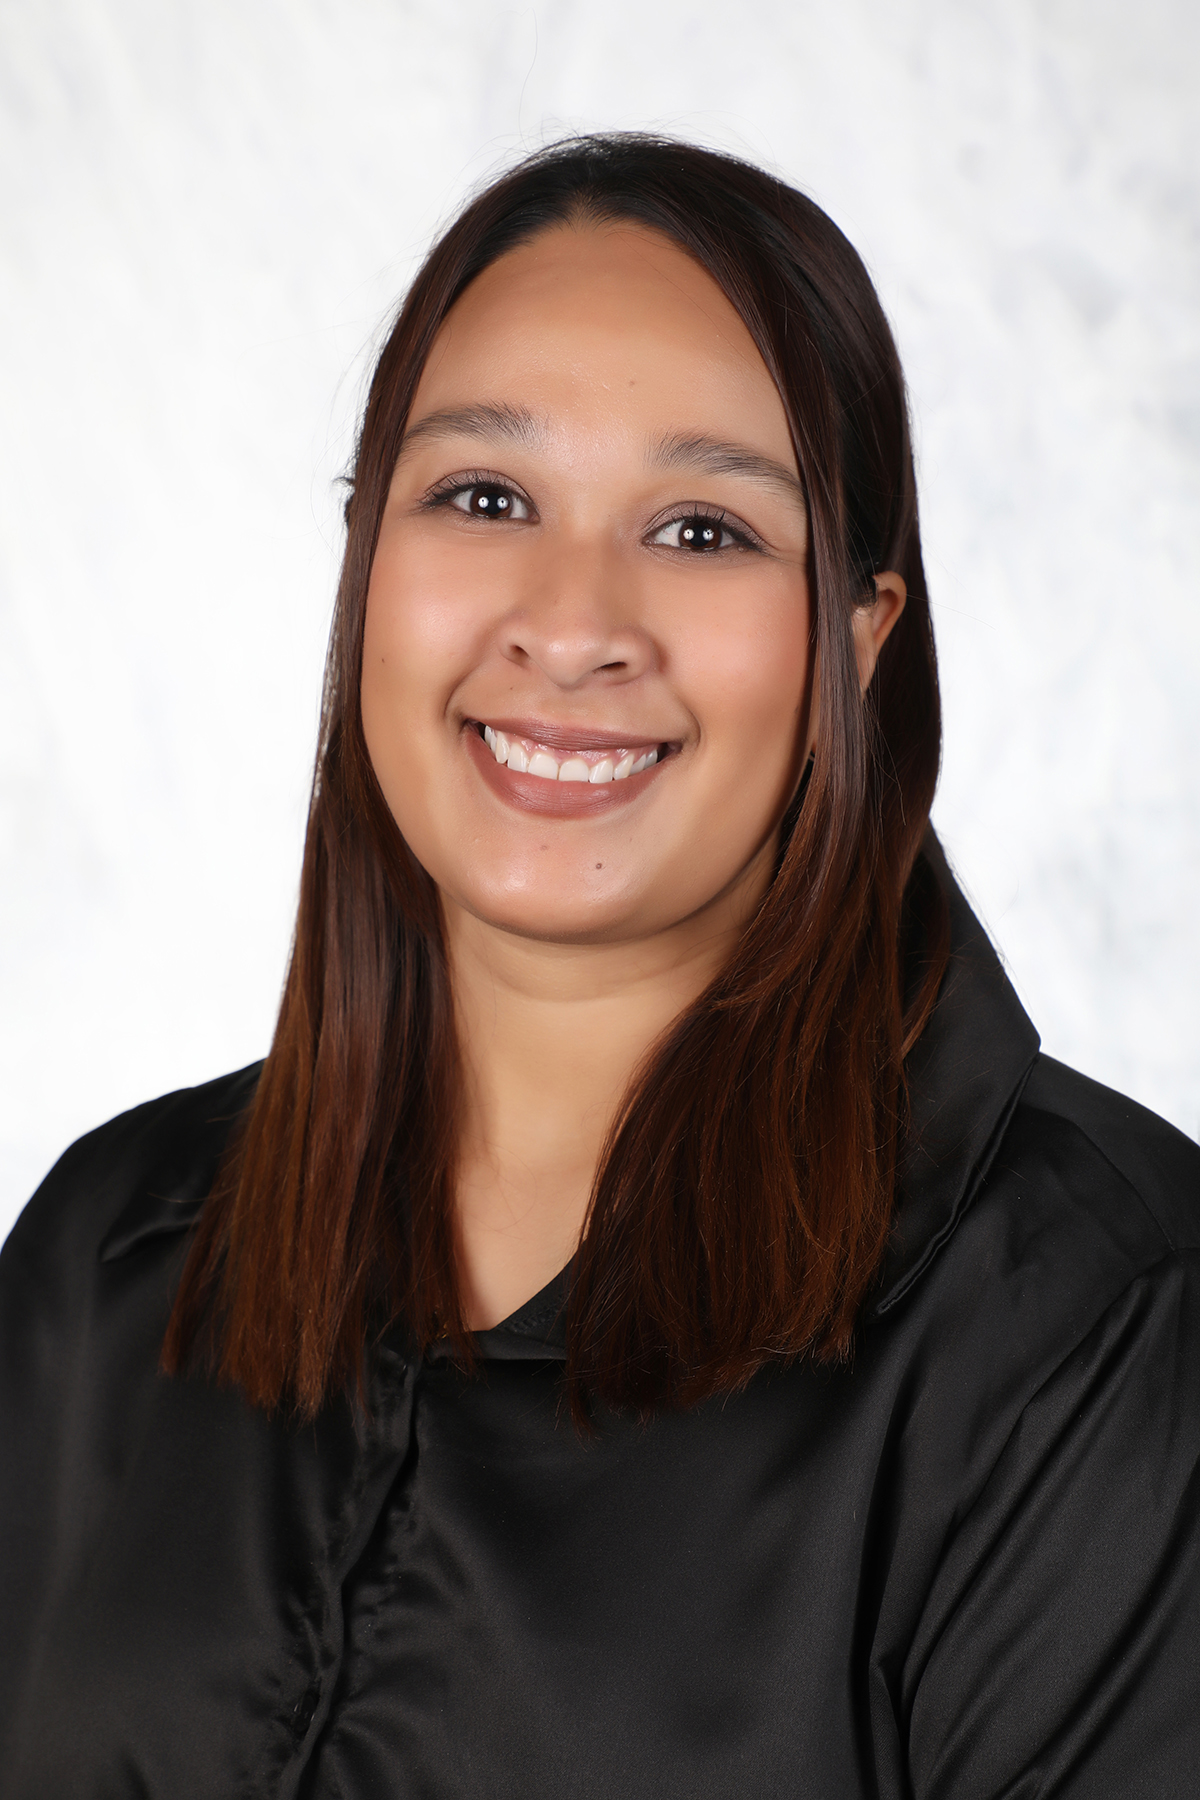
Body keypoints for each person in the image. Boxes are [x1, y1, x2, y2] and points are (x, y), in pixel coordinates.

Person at [1, 134, 1197, 1800]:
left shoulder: (1101, 1328)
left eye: (703, 529)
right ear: (365, 562)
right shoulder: (114, 1244)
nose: (571, 627)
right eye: (484, 499)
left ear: (859, 637)